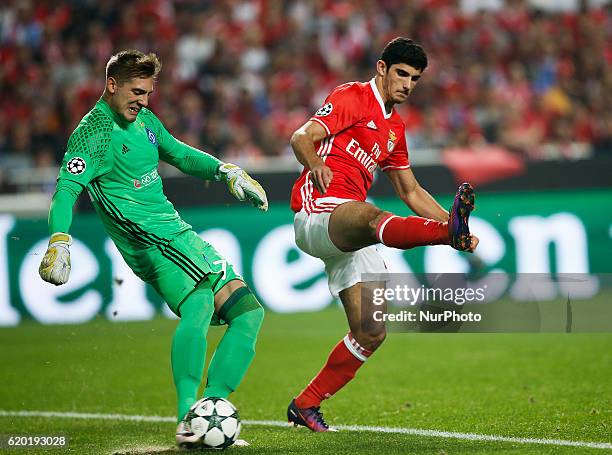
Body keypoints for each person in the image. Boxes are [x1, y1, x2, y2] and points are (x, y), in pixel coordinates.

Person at [38, 50, 267, 448]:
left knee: (248, 313)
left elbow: (179, 153)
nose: (142, 100)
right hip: (149, 241)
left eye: (147, 92)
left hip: (179, 232)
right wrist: (60, 238)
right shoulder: (92, 134)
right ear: (112, 85)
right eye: (135, 91)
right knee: (199, 302)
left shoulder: (144, 121)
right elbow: (66, 191)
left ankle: (209, 413)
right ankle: (187, 420)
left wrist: (224, 170)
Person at [287, 37, 480, 431]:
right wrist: (316, 166)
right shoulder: (351, 97)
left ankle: (305, 404)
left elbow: (410, 191)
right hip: (318, 212)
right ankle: (444, 235)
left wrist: (453, 221)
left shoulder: (394, 127)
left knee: (372, 331)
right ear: (381, 68)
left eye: (415, 79)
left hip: (350, 230)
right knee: (374, 218)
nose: (408, 84)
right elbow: (300, 137)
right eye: (402, 74)